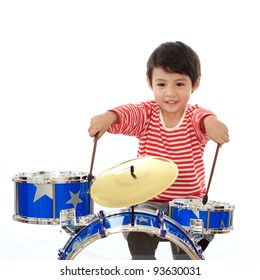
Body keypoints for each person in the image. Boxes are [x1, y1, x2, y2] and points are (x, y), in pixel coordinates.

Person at [88, 41, 229, 260]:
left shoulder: (193, 116)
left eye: (180, 84)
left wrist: (212, 123)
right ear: (149, 83)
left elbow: (204, 118)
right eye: (161, 84)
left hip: (188, 202)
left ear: (196, 84)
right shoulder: (147, 114)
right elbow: (129, 113)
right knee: (138, 231)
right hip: (149, 200)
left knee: (187, 255)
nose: (170, 93)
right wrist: (109, 117)